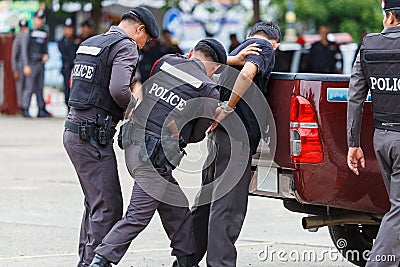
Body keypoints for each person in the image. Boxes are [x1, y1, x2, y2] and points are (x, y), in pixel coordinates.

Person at [89, 38, 226, 267]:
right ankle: (100, 260)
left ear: (191, 52)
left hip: (133, 146)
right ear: (217, 69)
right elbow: (196, 136)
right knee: (138, 216)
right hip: (153, 158)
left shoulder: (165, 62)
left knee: (177, 206)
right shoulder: (208, 90)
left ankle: (186, 260)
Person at [63, 7, 159, 267]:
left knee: (96, 203)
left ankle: (85, 260)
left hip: (75, 131)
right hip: (92, 136)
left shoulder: (91, 42)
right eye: (146, 39)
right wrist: (135, 110)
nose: (144, 44)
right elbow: (118, 89)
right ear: (139, 29)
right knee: (108, 206)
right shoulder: (126, 46)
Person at [191, 21, 281, 267]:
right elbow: (248, 73)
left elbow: (202, 66)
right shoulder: (264, 46)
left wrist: (230, 59)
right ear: (276, 43)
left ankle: (186, 259)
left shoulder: (233, 53)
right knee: (227, 207)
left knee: (206, 202)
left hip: (218, 138)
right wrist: (228, 107)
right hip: (236, 138)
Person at [347, 0, 400, 266]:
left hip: (382, 139)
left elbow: (355, 97)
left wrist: (353, 143)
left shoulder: (368, 45)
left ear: (390, 17)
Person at [20, 9, 51, 118]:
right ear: (33, 19)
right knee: (29, 88)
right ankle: (25, 108)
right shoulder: (28, 32)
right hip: (31, 63)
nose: (39, 21)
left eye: (41, 19)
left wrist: (47, 55)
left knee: (40, 87)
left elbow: (45, 47)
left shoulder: (43, 33)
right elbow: (24, 50)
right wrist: (26, 65)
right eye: (38, 19)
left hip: (40, 63)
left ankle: (41, 109)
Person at [58, 17, 79, 112]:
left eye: (70, 28)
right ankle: (68, 107)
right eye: (67, 28)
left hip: (76, 68)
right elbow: (66, 55)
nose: (69, 31)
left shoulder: (77, 40)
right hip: (67, 68)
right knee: (67, 89)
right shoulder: (62, 42)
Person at [11, 19, 28, 109]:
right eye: (22, 28)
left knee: (27, 87)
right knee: (20, 88)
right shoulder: (17, 39)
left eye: (25, 28)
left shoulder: (28, 38)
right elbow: (14, 56)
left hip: (27, 66)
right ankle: (21, 106)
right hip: (20, 66)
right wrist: (15, 70)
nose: (23, 30)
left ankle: (25, 106)